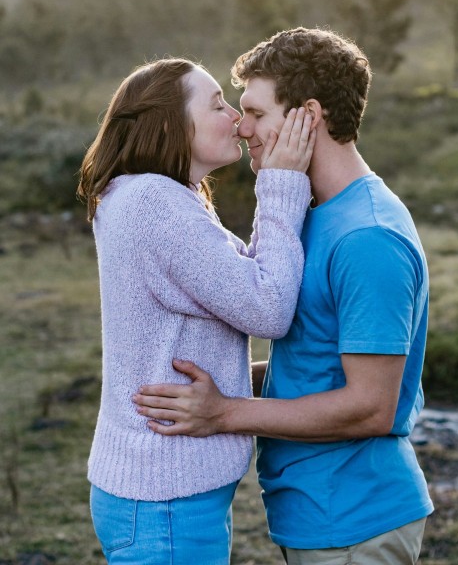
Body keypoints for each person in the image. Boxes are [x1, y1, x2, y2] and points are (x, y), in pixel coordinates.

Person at [133, 29, 435, 565]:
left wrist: (225, 413)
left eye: (255, 112)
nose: (240, 127)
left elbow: (370, 406)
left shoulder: (367, 238)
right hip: (316, 516)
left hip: (354, 521)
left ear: (307, 116)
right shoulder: (316, 213)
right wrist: (220, 377)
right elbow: (317, 359)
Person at [76, 56, 316, 565]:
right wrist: (281, 182)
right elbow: (268, 306)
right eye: (216, 104)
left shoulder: (156, 196)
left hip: (163, 491)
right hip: (165, 499)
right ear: (170, 122)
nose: (235, 117)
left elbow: (237, 281)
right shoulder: (154, 205)